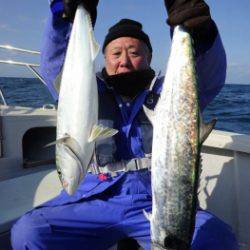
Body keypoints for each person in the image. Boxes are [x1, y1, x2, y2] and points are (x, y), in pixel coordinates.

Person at [11, 0, 238, 249]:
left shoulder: (166, 93)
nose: (125, 61)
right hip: (93, 198)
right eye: (116, 53)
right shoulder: (82, 91)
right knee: (30, 233)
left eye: (135, 52)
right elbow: (55, 64)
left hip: (158, 196)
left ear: (149, 57)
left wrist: (201, 35)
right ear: (102, 56)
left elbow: (206, 77)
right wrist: (64, 15)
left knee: (217, 238)